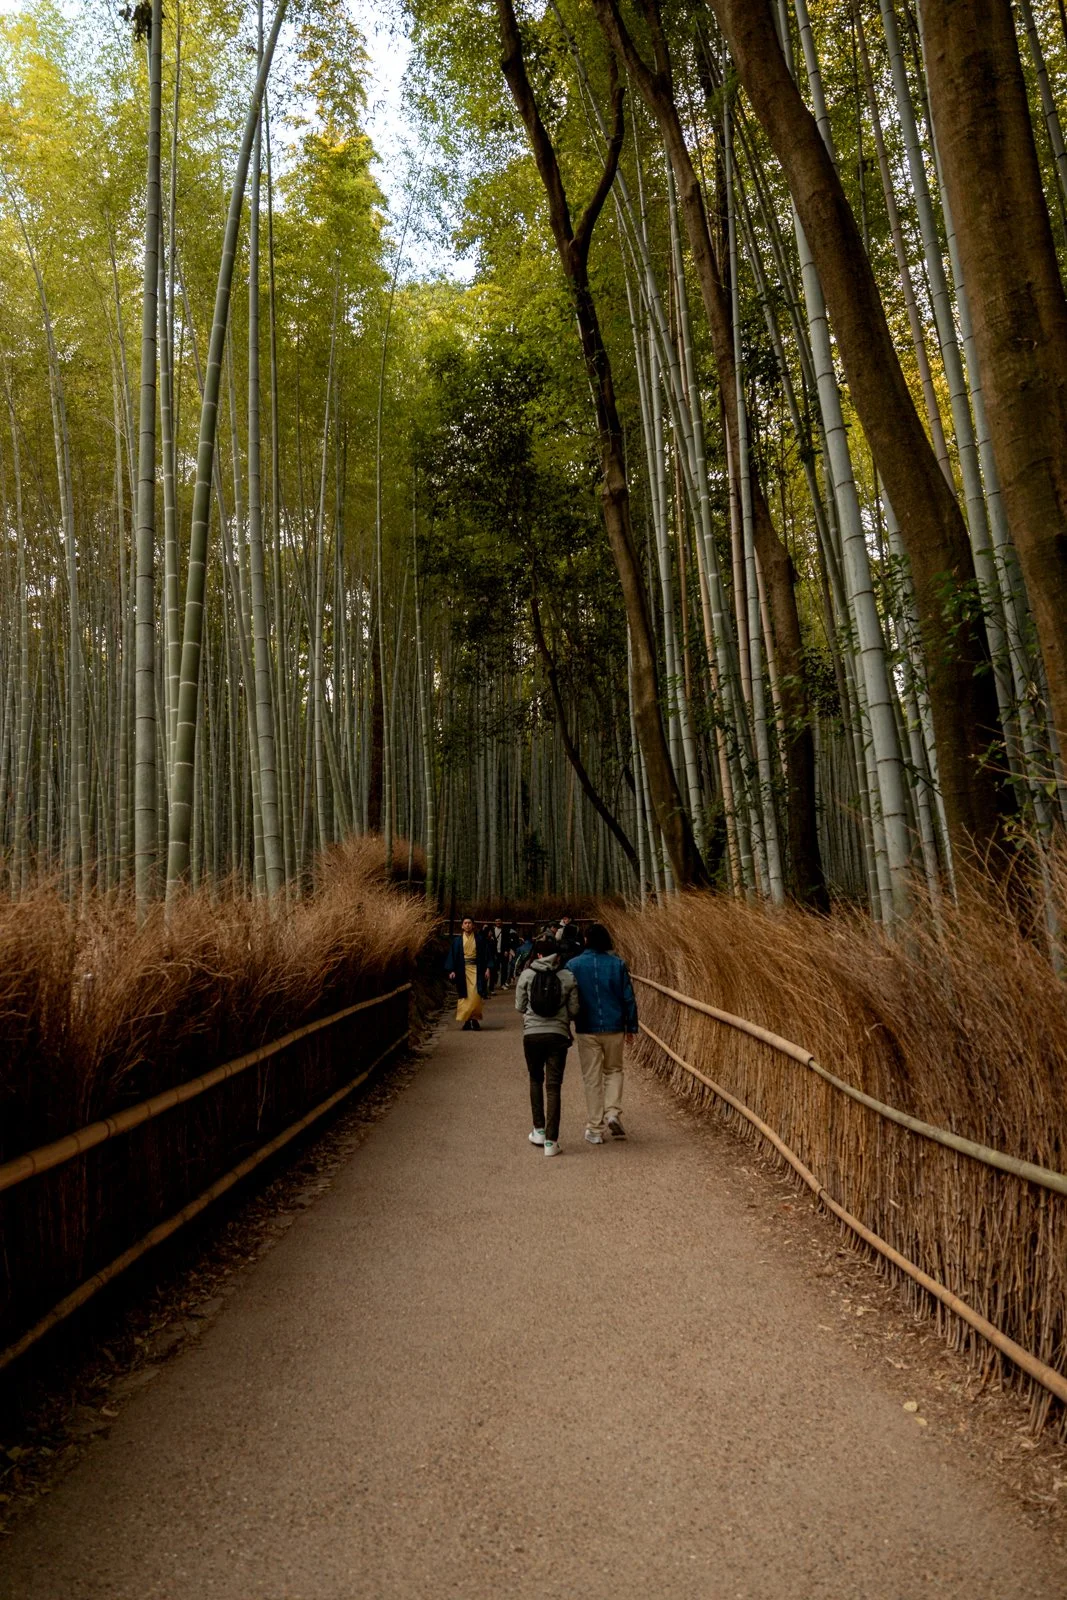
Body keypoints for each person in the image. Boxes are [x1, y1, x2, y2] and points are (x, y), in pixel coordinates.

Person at [566, 921, 638, 1144]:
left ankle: (595, 1129)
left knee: (592, 1077)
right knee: (614, 1070)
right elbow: (628, 998)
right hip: (614, 1026)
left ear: (585, 940)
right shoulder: (618, 964)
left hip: (586, 1028)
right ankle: (612, 1112)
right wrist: (631, 1027)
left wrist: (566, 1024)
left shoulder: (573, 965)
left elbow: (568, 997)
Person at [514, 934, 579, 1157]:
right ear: (556, 956)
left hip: (532, 1035)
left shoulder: (527, 975)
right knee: (553, 1086)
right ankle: (551, 1142)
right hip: (558, 1035)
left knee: (535, 1079)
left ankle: (539, 1130)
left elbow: (519, 1006)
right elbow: (575, 1010)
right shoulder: (567, 977)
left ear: (539, 954)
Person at [444, 917, 492, 1031]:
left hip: (477, 970)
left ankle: (474, 1019)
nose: (467, 925)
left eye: (469, 923)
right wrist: (451, 970)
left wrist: (488, 968)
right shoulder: (457, 941)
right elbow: (452, 956)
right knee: (464, 997)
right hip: (462, 971)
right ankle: (466, 1020)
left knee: (475, 995)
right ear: (462, 926)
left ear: (473, 925)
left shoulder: (480, 940)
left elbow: (487, 955)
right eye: (465, 923)